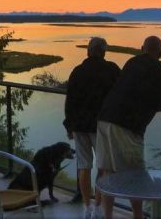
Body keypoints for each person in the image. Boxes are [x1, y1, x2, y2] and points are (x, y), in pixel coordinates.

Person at [96, 36, 161, 219]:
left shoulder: (131, 61)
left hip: (104, 119)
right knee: (136, 176)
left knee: (108, 173)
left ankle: (107, 216)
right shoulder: (158, 68)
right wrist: (155, 106)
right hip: (126, 126)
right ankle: (138, 217)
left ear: (142, 48)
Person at [63, 37, 120, 219]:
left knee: (84, 166)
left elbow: (70, 101)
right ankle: (98, 206)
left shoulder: (78, 71)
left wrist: (69, 126)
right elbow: (119, 96)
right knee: (103, 167)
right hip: (101, 126)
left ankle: (86, 206)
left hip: (79, 125)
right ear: (103, 52)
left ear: (88, 51)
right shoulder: (112, 70)